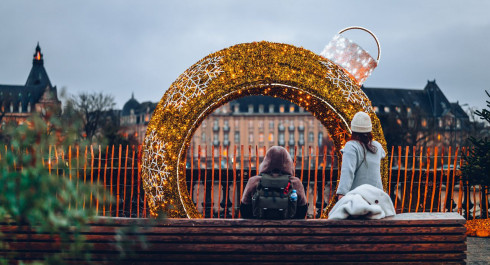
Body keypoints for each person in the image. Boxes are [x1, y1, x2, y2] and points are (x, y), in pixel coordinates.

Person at [240, 146, 307, 219]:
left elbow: (244, 210)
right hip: (288, 228)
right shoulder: (295, 182)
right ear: (288, 162)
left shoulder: (253, 181)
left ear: (266, 161)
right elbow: (302, 211)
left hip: (259, 228)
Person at [336, 111, 386, 200]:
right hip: (377, 198)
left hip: (358, 199)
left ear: (353, 129)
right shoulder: (377, 146)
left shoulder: (351, 146)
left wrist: (342, 193)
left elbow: (347, 171)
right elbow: (383, 154)